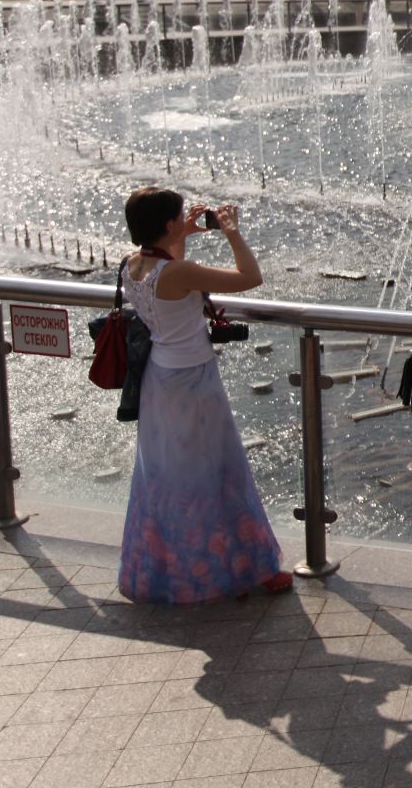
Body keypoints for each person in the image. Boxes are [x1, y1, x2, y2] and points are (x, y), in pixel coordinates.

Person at [117, 188, 290, 603]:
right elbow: (250, 277)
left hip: (160, 378)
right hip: (194, 380)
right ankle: (235, 568)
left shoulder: (132, 265)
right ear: (167, 224)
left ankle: (168, 569)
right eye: (180, 216)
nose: (185, 220)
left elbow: (167, 265)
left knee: (168, 475)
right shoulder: (179, 272)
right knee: (216, 472)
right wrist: (232, 232)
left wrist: (183, 234)